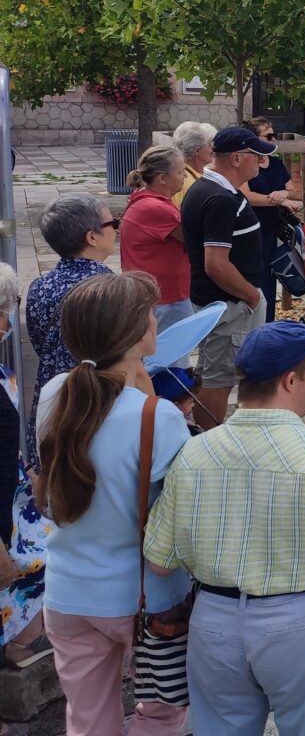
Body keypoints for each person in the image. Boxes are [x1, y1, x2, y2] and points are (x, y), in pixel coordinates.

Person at [144, 321, 305, 735]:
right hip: (299, 624)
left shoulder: (193, 452)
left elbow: (160, 561)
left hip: (214, 621)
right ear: (291, 381)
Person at [37, 273, 191, 735]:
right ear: (137, 333)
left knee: (86, 717)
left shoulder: (53, 393)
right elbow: (177, 511)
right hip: (144, 599)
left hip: (66, 590)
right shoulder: (159, 416)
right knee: (164, 711)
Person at [180, 125, 273, 430]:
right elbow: (216, 264)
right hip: (229, 305)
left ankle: (209, 435)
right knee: (220, 378)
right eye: (256, 156)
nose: (262, 162)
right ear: (236, 158)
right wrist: (252, 295)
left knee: (214, 373)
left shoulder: (214, 189)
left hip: (223, 303)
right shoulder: (219, 198)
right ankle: (210, 441)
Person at [23, 193, 116, 464]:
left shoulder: (39, 286)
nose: (116, 230)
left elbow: (40, 343)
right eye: (113, 224)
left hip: (52, 402)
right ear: (92, 237)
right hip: (97, 403)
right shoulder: (108, 287)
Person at [1, 264, 51, 671]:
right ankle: (17, 644)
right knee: (37, 559)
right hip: (6, 509)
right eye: (11, 306)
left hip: (16, 492)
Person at [122, 146, 194, 333]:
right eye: (180, 172)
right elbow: (196, 239)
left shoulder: (145, 197)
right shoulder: (157, 208)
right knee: (170, 357)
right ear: (162, 178)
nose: (185, 177)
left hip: (158, 295)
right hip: (165, 299)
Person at [241, 117, 302, 321]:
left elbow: (292, 191)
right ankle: (259, 327)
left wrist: (284, 195)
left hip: (276, 231)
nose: (274, 138)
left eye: (273, 134)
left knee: (274, 277)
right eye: (268, 135)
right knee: (260, 279)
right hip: (253, 232)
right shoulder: (245, 163)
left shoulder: (275, 163)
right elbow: (247, 196)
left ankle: (268, 324)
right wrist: (277, 201)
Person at [170, 121, 217, 209]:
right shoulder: (183, 181)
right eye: (209, 145)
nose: (213, 149)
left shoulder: (193, 175)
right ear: (196, 151)